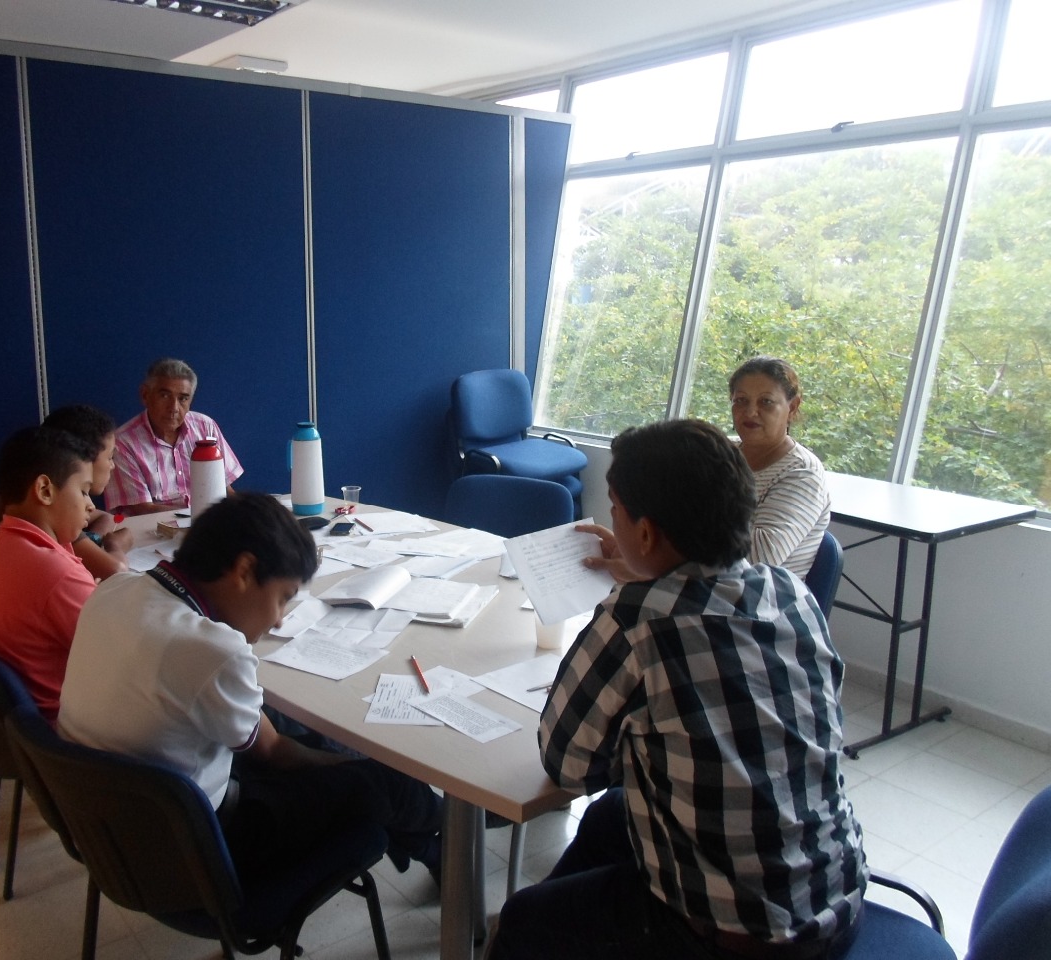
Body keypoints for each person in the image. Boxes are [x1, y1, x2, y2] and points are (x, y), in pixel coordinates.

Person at [489, 419, 867, 960]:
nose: (611, 520)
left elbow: (567, 764)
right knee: (608, 818)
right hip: (835, 898)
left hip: (735, 939)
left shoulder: (638, 619)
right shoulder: (790, 593)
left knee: (523, 922)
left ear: (644, 535)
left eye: (615, 509)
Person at [57, 492, 442, 883]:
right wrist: (361, 768)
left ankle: (427, 846)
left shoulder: (113, 590)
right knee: (387, 784)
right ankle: (451, 832)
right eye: (283, 598)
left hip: (111, 833)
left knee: (300, 731)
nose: (278, 620)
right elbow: (274, 753)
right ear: (244, 570)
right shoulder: (212, 650)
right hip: (202, 852)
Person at [0, 427, 99, 722]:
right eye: (84, 491)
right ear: (45, 490)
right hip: (65, 727)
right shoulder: (54, 573)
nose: (91, 505)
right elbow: (122, 653)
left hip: (20, 727)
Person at [0, 405, 134, 581]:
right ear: (81, 456)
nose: (112, 465)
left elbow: (104, 517)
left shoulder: (31, 495)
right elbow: (115, 571)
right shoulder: (40, 512)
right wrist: (115, 545)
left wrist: (91, 540)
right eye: (110, 457)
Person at [729, 355, 831, 577]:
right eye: (741, 400)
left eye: (766, 402)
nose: (750, 412)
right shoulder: (719, 452)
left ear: (792, 407)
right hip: (698, 581)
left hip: (753, 594)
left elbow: (759, 558)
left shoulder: (803, 473)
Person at [103, 358, 243, 516]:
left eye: (183, 398)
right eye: (164, 396)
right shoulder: (123, 443)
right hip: (153, 527)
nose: (174, 408)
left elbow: (224, 488)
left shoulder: (205, 427)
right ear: (145, 395)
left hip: (208, 523)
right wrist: (201, 519)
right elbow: (143, 510)